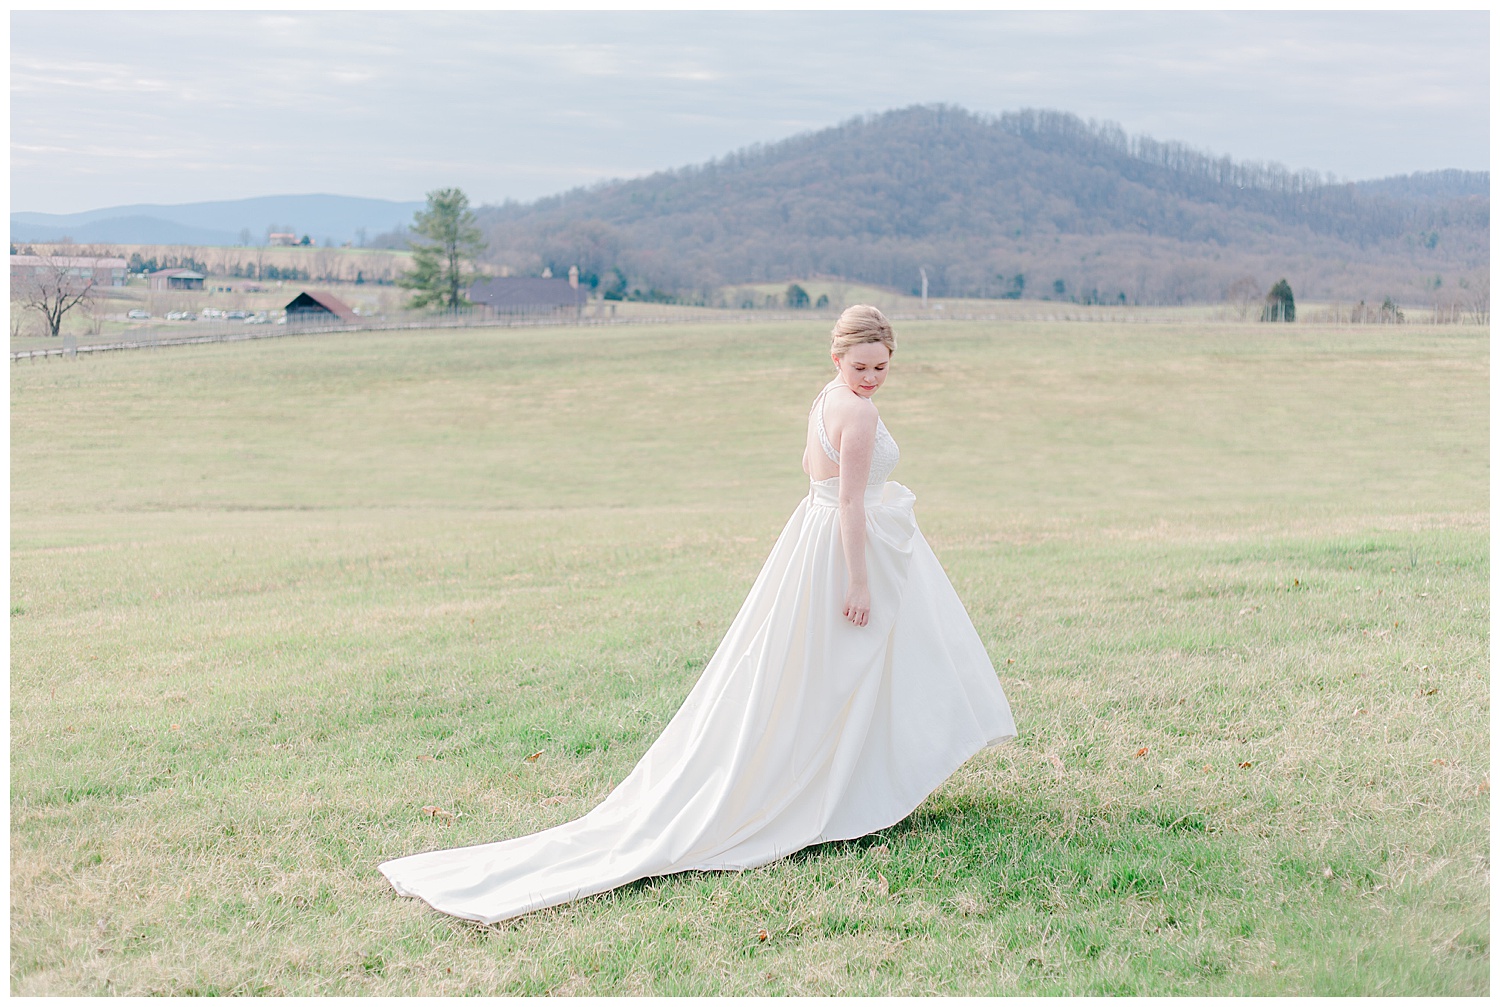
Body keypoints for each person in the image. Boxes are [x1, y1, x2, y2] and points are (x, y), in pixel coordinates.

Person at [379, 305, 1016, 925]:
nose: (871, 378)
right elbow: (851, 501)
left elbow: (808, 470)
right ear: (838, 357)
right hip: (846, 546)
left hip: (811, 532)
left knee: (824, 668)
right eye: (862, 367)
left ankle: (852, 778)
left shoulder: (826, 398)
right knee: (842, 667)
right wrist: (858, 579)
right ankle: (839, 782)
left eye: (881, 369)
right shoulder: (859, 415)